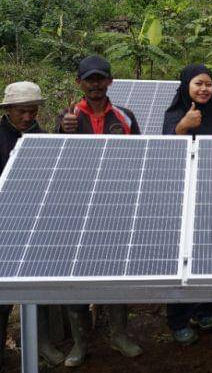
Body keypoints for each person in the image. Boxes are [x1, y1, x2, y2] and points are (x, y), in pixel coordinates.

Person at [0, 82, 66, 372]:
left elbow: (54, 183)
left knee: (38, 286)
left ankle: (40, 342)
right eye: (22, 111)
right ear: (8, 110)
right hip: (0, 227)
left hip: (39, 225)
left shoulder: (43, 138)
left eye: (33, 111)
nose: (28, 117)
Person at [57, 55, 144, 365]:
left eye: (100, 78)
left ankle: (119, 335)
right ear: (79, 83)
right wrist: (62, 132)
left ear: (110, 81)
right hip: (76, 207)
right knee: (76, 274)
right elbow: (53, 164)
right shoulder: (67, 118)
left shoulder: (125, 117)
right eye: (88, 79)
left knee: (117, 272)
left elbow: (140, 160)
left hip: (115, 205)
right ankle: (80, 343)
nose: (94, 85)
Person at [162, 64, 212, 344]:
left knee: (205, 252)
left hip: (210, 192)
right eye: (198, 83)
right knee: (181, 255)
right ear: (186, 84)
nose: (204, 89)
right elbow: (162, 152)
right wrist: (182, 128)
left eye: (208, 84)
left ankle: (203, 309)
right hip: (181, 194)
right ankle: (177, 318)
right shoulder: (175, 114)